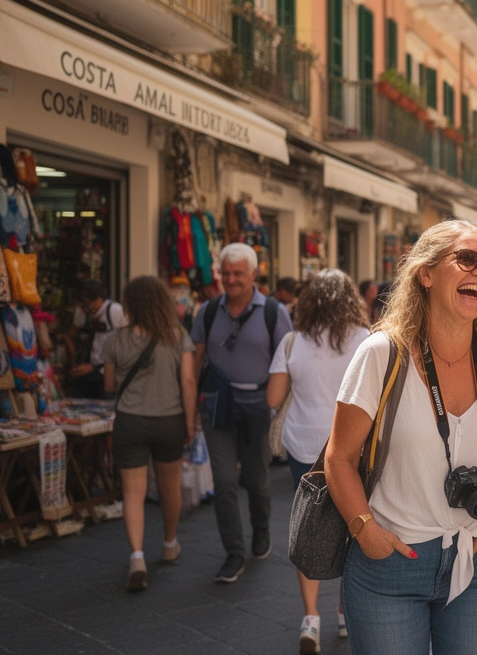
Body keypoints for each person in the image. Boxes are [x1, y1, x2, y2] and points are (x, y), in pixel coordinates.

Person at [325, 221, 477, 654]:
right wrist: (365, 530)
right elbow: (339, 457)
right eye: (466, 259)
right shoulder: (383, 353)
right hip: (391, 563)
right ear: (426, 273)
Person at [266, 269, 371, 653]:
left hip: (303, 448)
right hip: (353, 447)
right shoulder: (365, 340)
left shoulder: (293, 343)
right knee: (353, 524)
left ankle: (311, 615)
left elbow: (273, 399)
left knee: (309, 525)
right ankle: (345, 611)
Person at [191, 243, 293, 583]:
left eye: (239, 274)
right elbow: (195, 361)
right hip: (216, 406)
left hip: (258, 407)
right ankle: (234, 553)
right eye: (227, 273)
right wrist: (190, 410)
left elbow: (286, 362)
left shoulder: (273, 311)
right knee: (223, 482)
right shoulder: (207, 312)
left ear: (253, 275)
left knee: (257, 480)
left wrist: (283, 408)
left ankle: (261, 529)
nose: (231, 280)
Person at [101, 275, 197, 593]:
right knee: (170, 488)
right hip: (168, 420)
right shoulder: (177, 336)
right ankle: (170, 543)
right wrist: (190, 422)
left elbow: (110, 386)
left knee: (133, 492)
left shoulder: (114, 339)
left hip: (129, 421)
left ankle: (138, 556)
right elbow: (187, 382)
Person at [70, 279, 127, 398]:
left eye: (85, 305)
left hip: (106, 374)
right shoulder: (82, 313)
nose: (84, 310)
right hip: (84, 375)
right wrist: (74, 358)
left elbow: (124, 348)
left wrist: (94, 368)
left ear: (97, 299)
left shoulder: (115, 312)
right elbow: (71, 335)